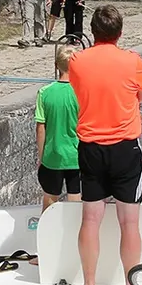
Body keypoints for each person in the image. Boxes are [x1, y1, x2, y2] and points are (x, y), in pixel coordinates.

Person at [68, 5, 142, 285]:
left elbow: (80, 90)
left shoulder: (77, 61)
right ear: (120, 33)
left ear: (93, 31)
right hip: (126, 148)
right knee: (129, 223)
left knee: (90, 219)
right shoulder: (133, 61)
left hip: (90, 148)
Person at [36, 45, 82, 209]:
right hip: (77, 156)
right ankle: (74, 232)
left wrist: (41, 157)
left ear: (56, 65)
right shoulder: (82, 92)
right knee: (75, 198)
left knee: (49, 198)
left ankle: (45, 232)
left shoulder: (44, 92)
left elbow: (41, 128)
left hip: (52, 155)